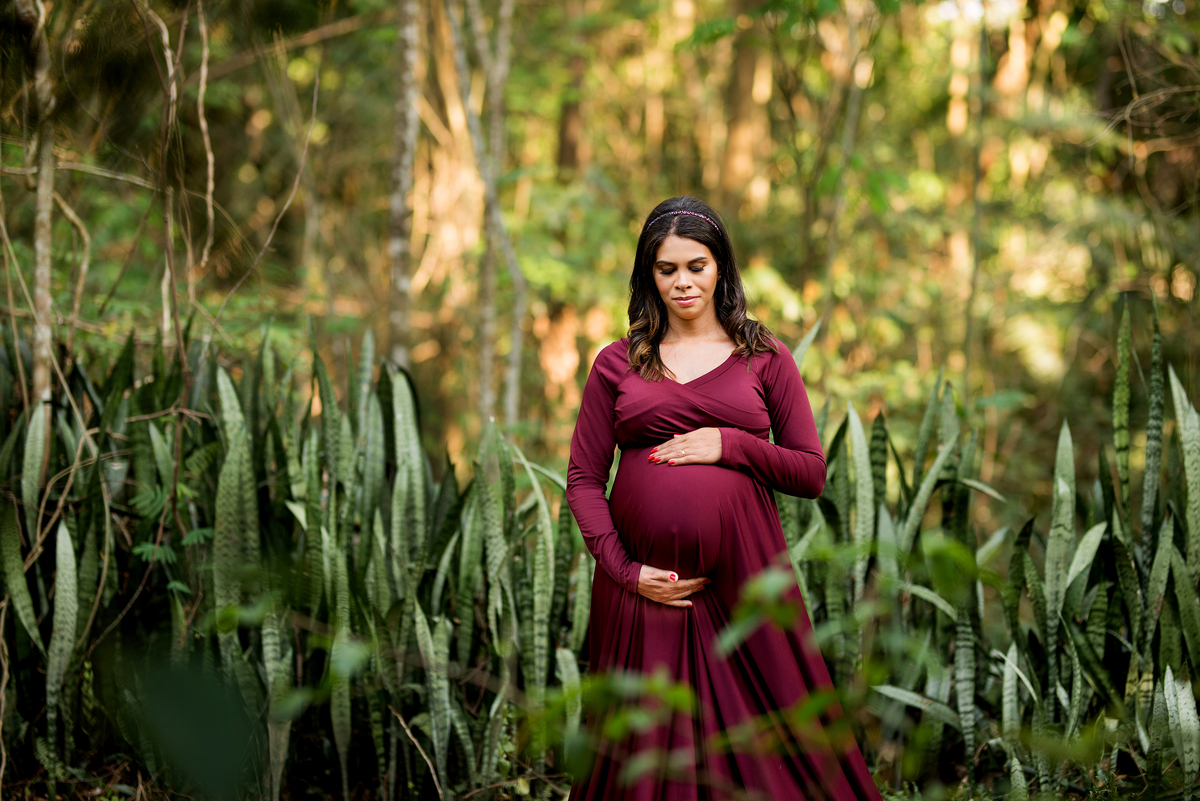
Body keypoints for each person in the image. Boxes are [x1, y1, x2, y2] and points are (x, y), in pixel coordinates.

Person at [565, 196, 881, 800]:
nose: (682, 282)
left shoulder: (764, 357)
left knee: (773, 739)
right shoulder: (617, 363)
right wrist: (626, 572)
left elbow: (810, 473)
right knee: (647, 750)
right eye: (667, 269)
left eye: (697, 265)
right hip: (645, 589)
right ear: (648, 275)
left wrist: (729, 445)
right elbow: (582, 479)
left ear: (721, 269)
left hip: (746, 583)